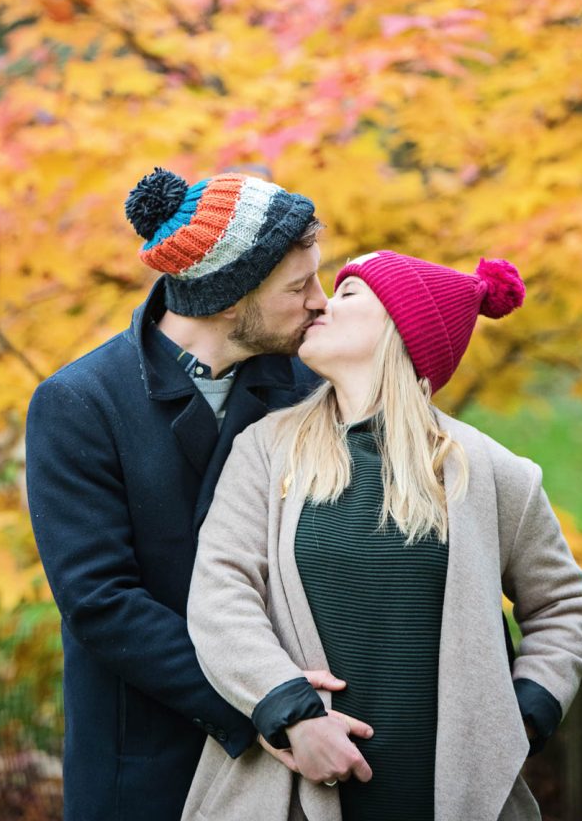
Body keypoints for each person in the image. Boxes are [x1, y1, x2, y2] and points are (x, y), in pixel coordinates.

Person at [184, 250, 582, 821]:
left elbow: (563, 605)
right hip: (294, 788)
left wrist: (523, 714)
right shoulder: (265, 449)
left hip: (447, 799)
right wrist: (292, 712)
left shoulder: (494, 473)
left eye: (349, 294)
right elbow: (221, 592)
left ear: (405, 328)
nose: (322, 304)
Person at [26, 167, 367, 821]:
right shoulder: (80, 403)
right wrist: (268, 702)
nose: (320, 302)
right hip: (151, 762)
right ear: (226, 300)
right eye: (298, 286)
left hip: (308, 751)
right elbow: (101, 601)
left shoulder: (307, 386)